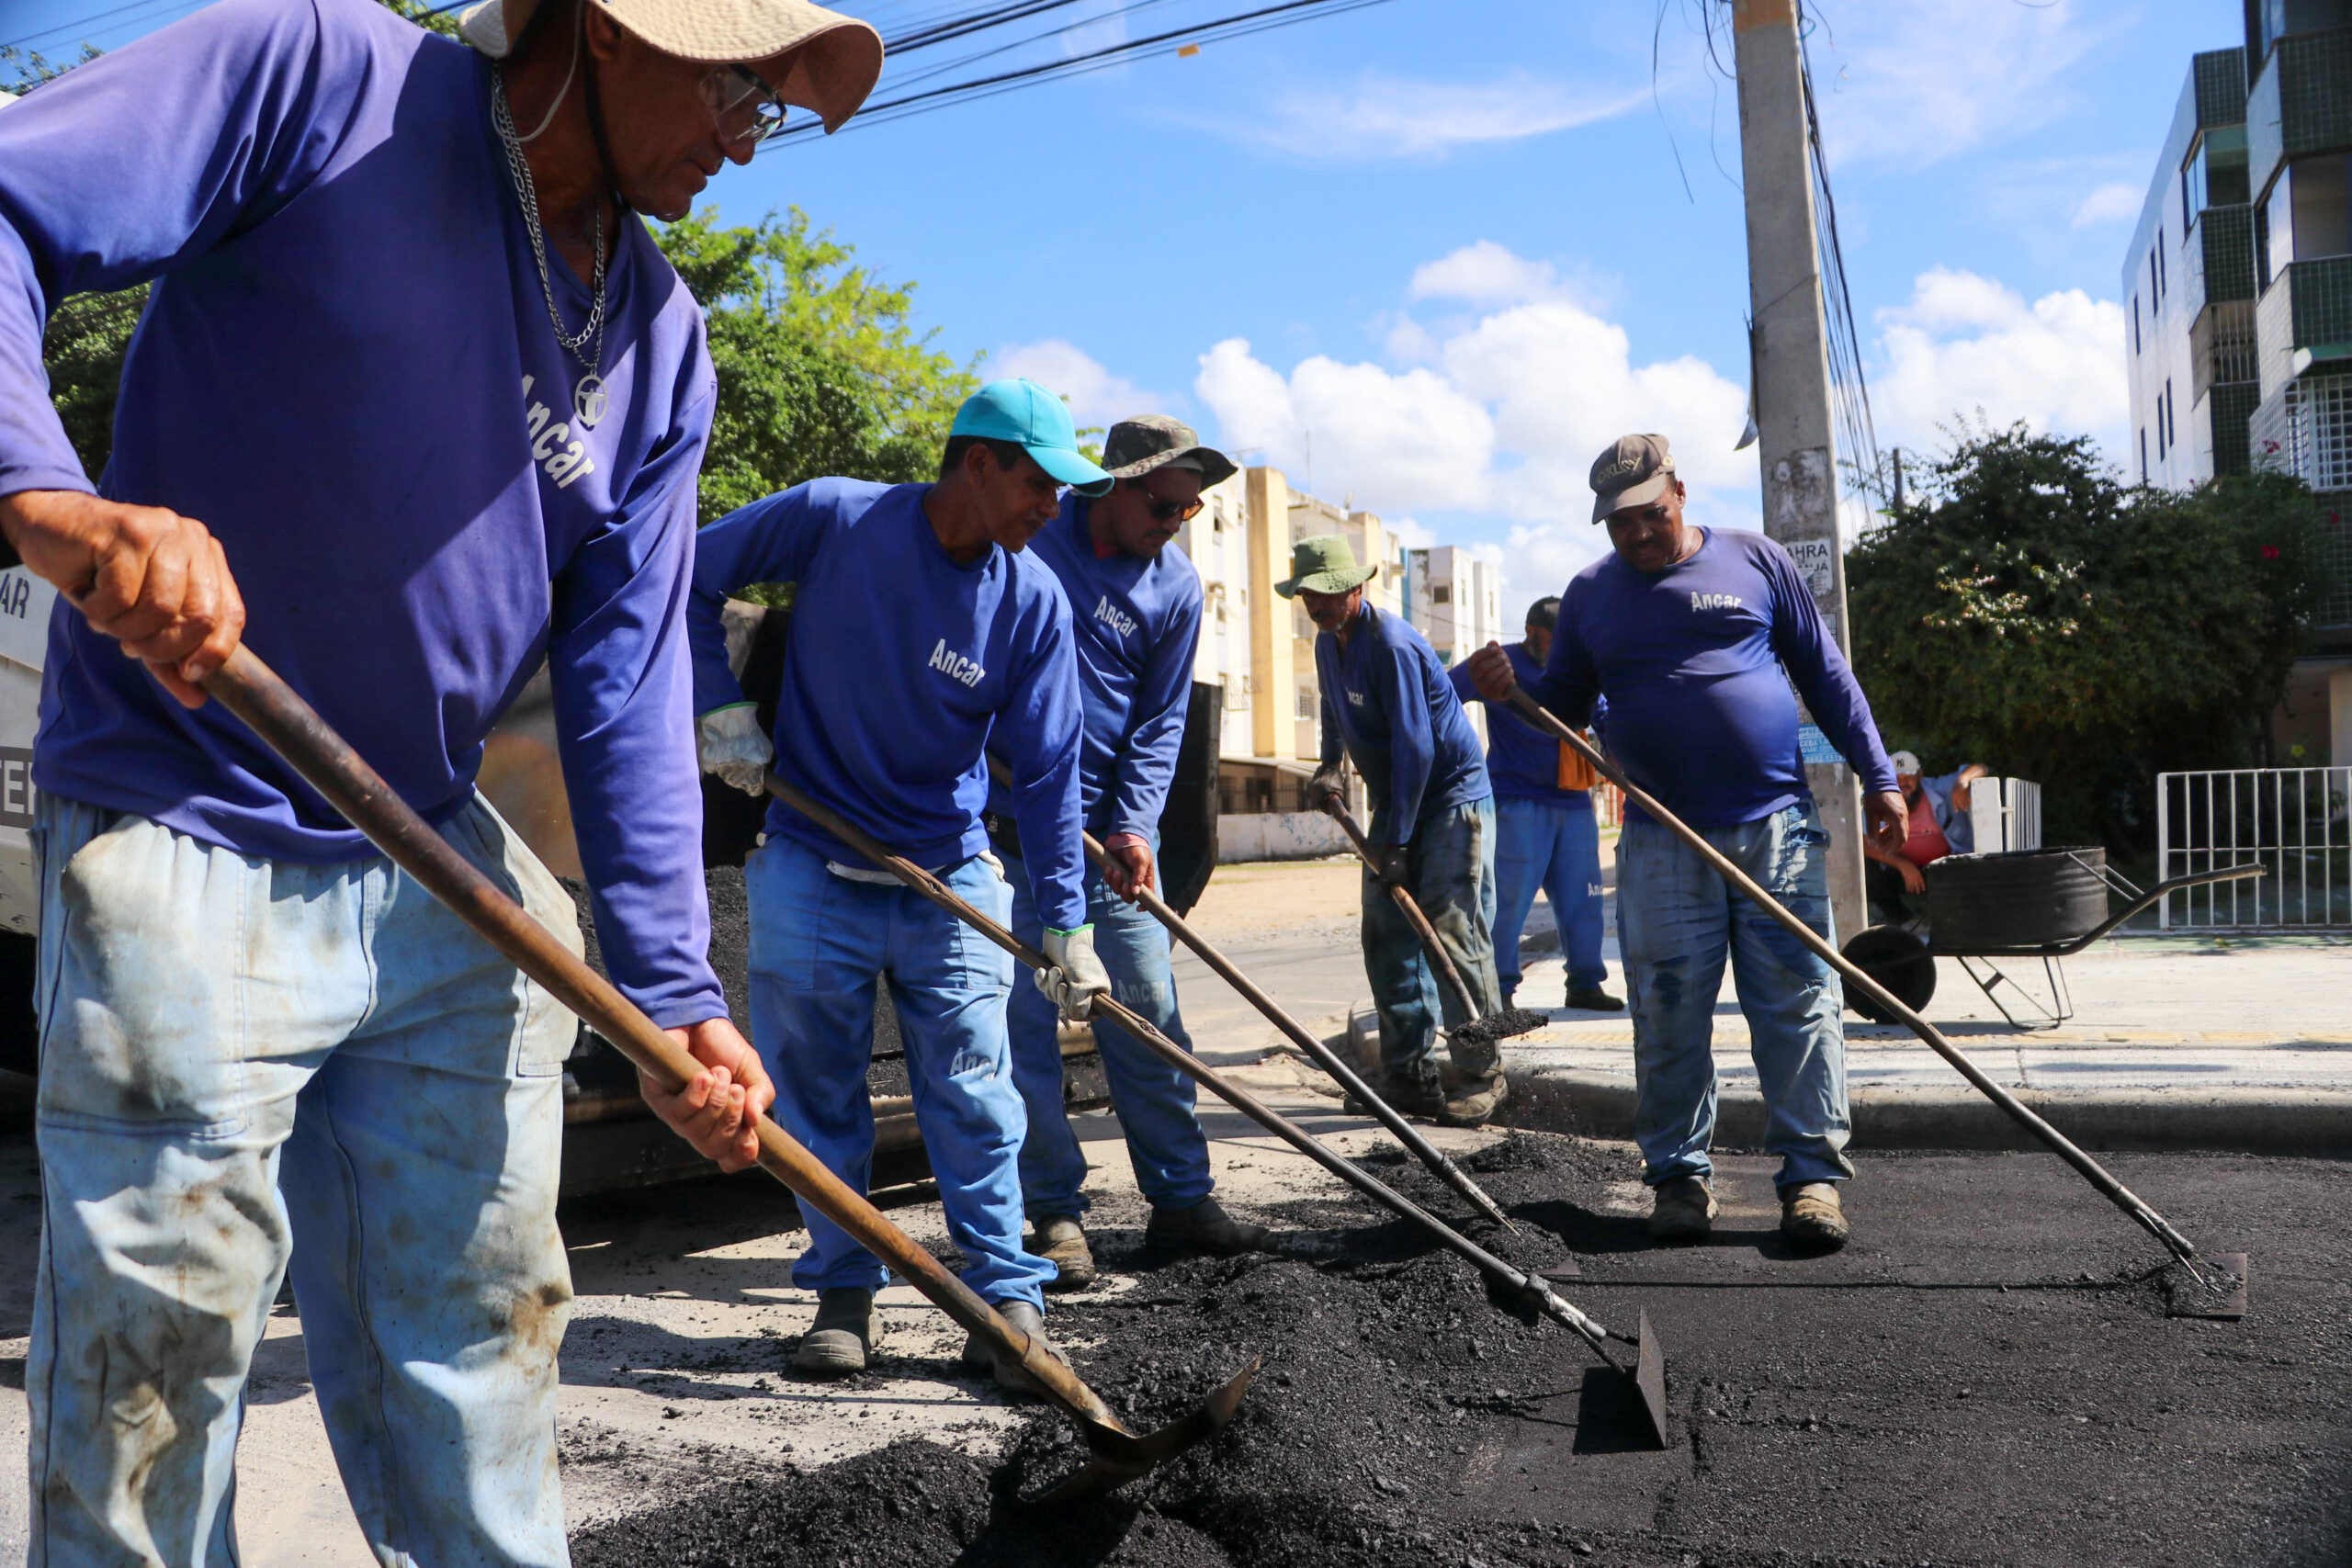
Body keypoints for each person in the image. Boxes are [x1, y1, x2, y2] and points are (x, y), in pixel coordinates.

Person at [0, 0, 881, 1556]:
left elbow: (625, 684)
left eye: (764, 110)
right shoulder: (326, 81)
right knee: (158, 1375)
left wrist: (675, 990)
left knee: (484, 1336)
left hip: (429, 854)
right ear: (611, 30)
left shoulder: (662, 343)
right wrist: (49, 495)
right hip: (187, 806)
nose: (742, 145)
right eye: (737, 90)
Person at [688, 379, 1114, 1391]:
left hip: (945, 871)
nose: (1052, 506)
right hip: (810, 855)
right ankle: (843, 1290)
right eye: (1040, 483)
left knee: (975, 1093)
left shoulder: (1033, 600)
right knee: (817, 1092)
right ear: (978, 462)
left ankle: (1003, 1297)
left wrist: (1066, 923)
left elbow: (1049, 772)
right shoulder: (836, 518)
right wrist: (718, 707)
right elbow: (687, 574)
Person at [1468, 434, 1905, 1252]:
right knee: (1668, 1011)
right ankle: (1678, 1177)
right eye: (1619, 522)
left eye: (1649, 513)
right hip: (1660, 838)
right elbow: (1563, 706)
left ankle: (1811, 1178)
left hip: (1775, 826)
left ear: (1680, 489)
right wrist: (1512, 691)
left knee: (1799, 1004)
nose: (1637, 532)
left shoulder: (1756, 560)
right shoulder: (1591, 595)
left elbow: (1825, 674)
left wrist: (1878, 775)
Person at [987, 417, 1271, 1291]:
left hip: (1103, 842)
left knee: (1149, 1013)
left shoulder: (1175, 586)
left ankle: (1181, 1197)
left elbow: (1159, 724)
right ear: (1111, 484)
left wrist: (1134, 827)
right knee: (1022, 1030)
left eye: (1188, 512)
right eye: (1162, 506)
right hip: (1008, 831)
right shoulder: (1034, 539)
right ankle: (1053, 1210)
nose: (1173, 524)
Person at [1293, 536, 1509, 1127]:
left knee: (1450, 931)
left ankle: (1481, 1071)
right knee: (1387, 934)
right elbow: (1334, 708)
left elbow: (1417, 747)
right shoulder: (1326, 643)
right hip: (1399, 798)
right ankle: (1409, 1076)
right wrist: (1330, 763)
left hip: (1449, 797)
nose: (1320, 604)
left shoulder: (1389, 643)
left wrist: (1399, 844)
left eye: (1331, 592)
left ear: (1358, 588)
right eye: (1311, 595)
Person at [1450, 595, 1623, 1014]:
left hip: (1574, 801)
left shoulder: (1575, 669)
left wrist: (1620, 752)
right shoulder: (1499, 664)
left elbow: (1603, 715)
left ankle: (1585, 984)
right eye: (1553, 639)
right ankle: (1499, 991)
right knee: (1507, 903)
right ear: (1531, 632)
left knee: (1585, 900)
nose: (1561, 649)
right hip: (1517, 803)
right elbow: (1443, 693)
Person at [1863, 751, 1988, 925]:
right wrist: (1903, 864)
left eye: (1908, 776)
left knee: (1957, 889)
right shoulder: (1879, 799)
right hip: (1902, 869)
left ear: (1920, 775)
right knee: (1866, 867)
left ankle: (1955, 923)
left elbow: (1980, 768)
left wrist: (1962, 781)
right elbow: (1864, 842)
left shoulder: (1938, 788)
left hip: (1946, 867)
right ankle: (1901, 921)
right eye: (1896, 778)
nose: (1902, 782)